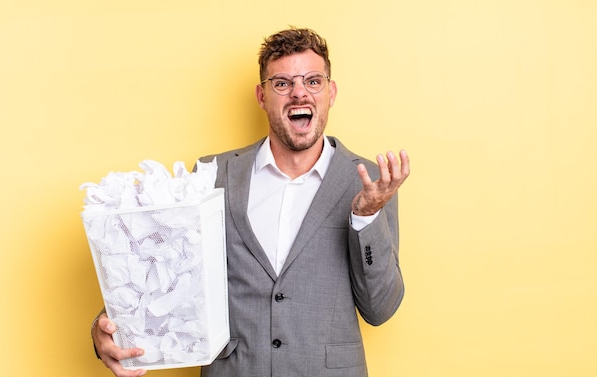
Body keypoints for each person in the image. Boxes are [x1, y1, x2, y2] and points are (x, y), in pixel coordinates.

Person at [91, 27, 410, 377]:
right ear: (262, 95)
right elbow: (159, 272)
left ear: (331, 92)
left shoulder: (367, 183)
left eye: (313, 81)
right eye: (282, 83)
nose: (299, 92)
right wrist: (113, 324)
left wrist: (366, 216)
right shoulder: (213, 174)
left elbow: (380, 309)